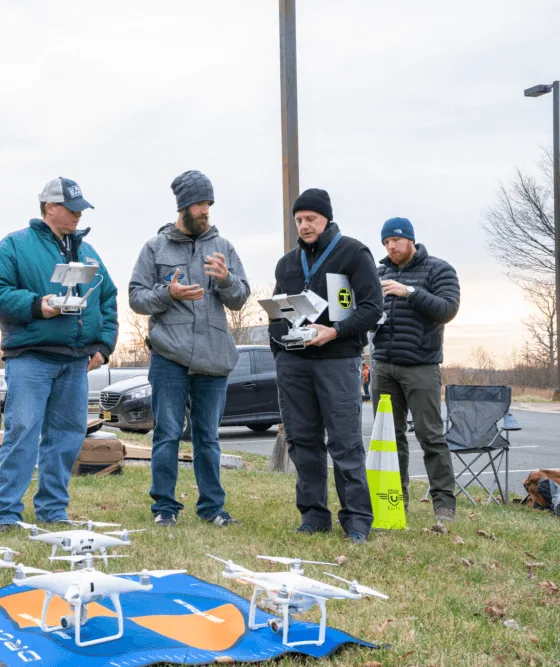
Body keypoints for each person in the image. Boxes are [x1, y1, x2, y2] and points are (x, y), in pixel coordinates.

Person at [0, 177, 118, 531]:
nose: (77, 215)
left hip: (75, 361)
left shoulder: (88, 252)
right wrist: (37, 306)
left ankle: (53, 510)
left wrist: (103, 345)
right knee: (22, 431)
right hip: (31, 358)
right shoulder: (15, 246)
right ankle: (8, 514)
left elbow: (107, 298)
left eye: (80, 209)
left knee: (68, 436)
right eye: (71, 209)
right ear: (49, 208)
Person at [129, 170, 250, 527]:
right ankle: (164, 508)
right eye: (199, 204)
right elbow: (136, 298)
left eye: (209, 204)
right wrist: (169, 294)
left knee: (208, 437)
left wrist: (227, 280)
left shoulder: (223, 247)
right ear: (183, 206)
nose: (205, 211)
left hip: (213, 356)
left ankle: (213, 508)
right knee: (167, 432)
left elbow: (240, 298)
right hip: (170, 356)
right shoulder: (155, 247)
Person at [269, 188, 383, 544]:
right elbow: (275, 312)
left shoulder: (353, 252)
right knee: (303, 441)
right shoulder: (287, 263)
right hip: (295, 365)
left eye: (311, 219)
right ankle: (314, 515)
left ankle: (357, 520)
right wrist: (282, 343)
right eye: (299, 220)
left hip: (337, 360)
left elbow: (372, 307)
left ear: (326, 219)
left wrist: (333, 332)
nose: (304, 226)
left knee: (345, 443)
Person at [372, 217, 460, 522]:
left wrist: (408, 292)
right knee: (388, 438)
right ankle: (395, 504)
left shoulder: (439, 269)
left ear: (410, 239)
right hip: (382, 364)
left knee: (430, 436)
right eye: (385, 242)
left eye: (395, 240)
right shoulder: (378, 271)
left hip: (421, 365)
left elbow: (448, 309)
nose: (390, 246)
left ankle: (444, 507)